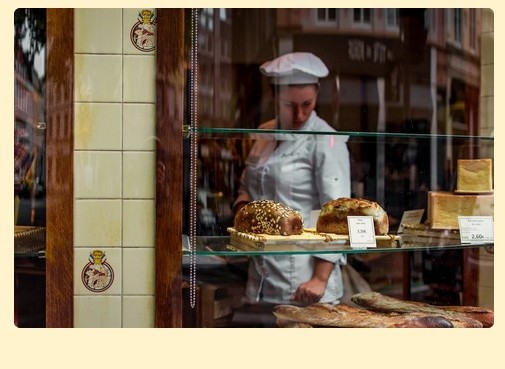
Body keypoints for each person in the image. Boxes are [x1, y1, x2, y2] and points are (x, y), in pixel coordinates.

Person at [233, 52, 351, 307]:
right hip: (261, 280)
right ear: (273, 95)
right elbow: (247, 187)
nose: (299, 115)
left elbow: (337, 215)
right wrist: (242, 215)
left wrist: (319, 279)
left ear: (318, 93)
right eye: (289, 105)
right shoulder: (264, 133)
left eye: (307, 104)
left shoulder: (327, 139)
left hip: (305, 284)